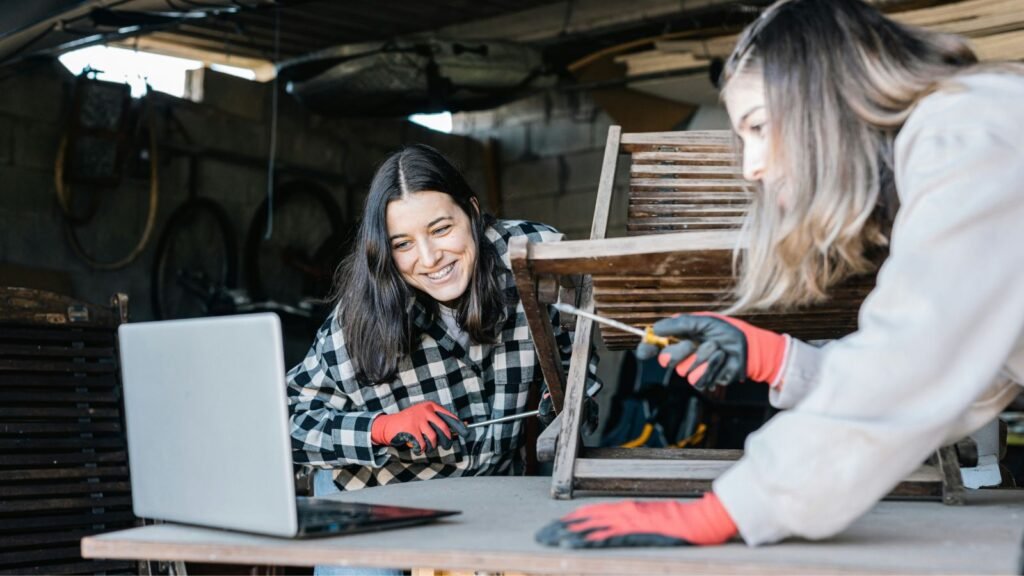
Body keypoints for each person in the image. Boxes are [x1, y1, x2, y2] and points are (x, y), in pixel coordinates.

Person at [537, 0, 1024, 548]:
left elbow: (913, 365)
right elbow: (966, 374)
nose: (751, 167)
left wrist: (732, 508)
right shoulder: (963, 134)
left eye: (759, 126)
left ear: (823, 94)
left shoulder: (965, 138)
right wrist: (776, 359)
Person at [287, 143, 599, 496]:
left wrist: (561, 398)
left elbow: (576, 351)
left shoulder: (533, 257)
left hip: (496, 497)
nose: (430, 258)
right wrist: (381, 429)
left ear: (472, 211)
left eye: (440, 230)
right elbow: (286, 425)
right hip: (386, 506)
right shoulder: (359, 314)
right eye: (402, 244)